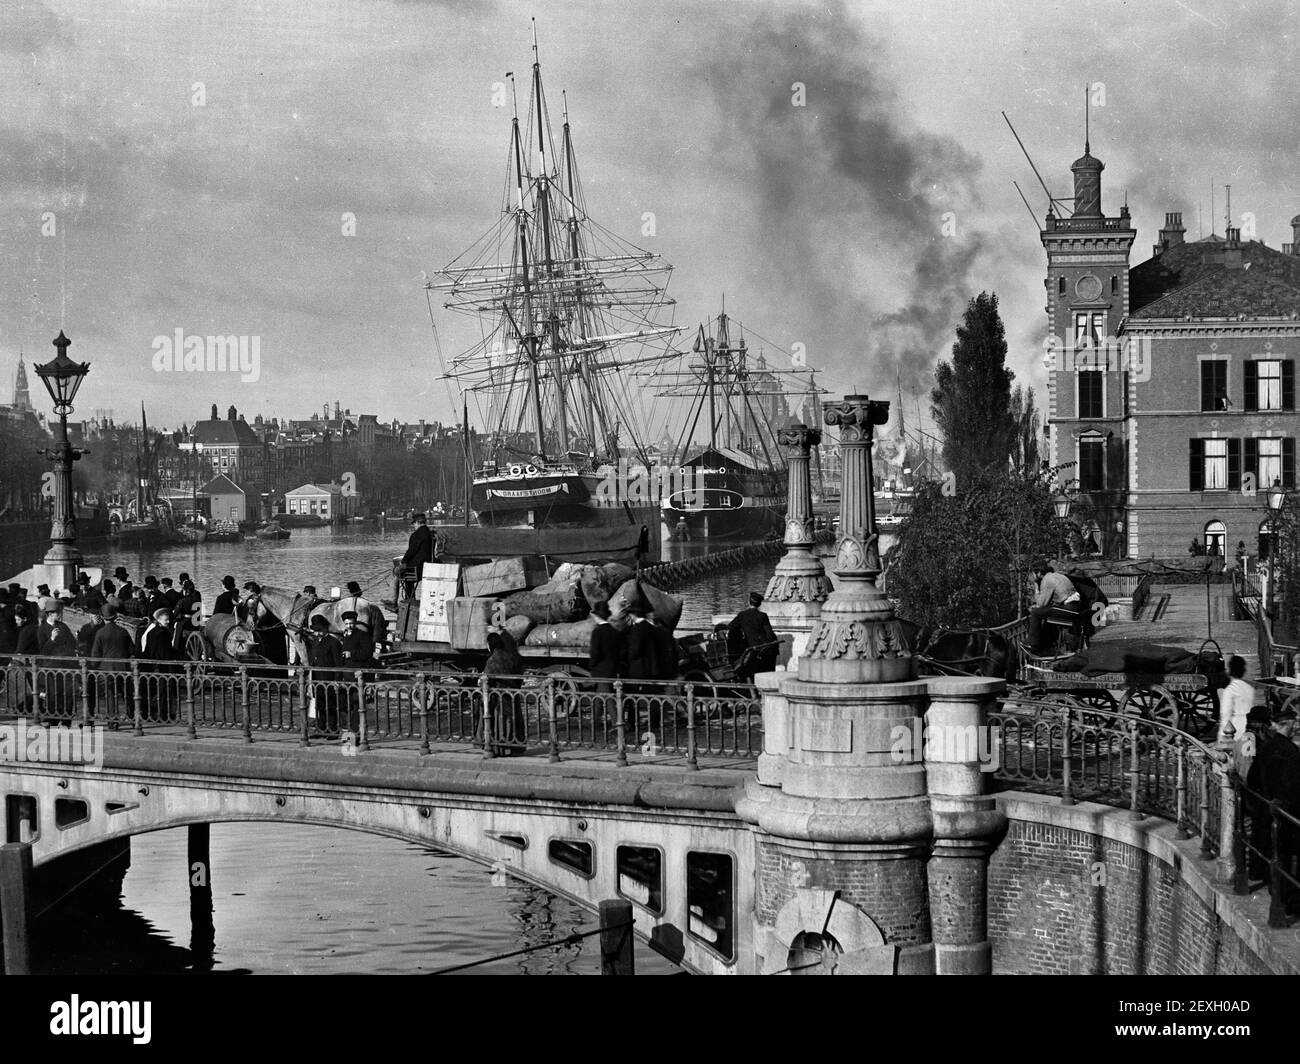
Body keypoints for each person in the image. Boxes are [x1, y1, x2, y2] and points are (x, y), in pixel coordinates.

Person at [1246, 706, 1300, 909]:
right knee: (1286, 853)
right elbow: (1294, 787)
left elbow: (1252, 778)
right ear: (1288, 726)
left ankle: (1269, 883)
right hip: (1286, 812)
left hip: (1266, 807)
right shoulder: (1292, 752)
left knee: (1269, 848)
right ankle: (1285, 898)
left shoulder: (1266, 747)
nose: (1295, 729)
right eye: (1294, 725)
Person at [91, 604, 136, 723]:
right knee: (127, 694)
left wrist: (93, 667)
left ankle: (113, 721)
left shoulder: (100, 633)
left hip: (107, 670)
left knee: (110, 695)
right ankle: (132, 719)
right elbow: (132, 650)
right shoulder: (123, 631)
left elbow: (95, 654)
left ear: (103, 617)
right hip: (123, 668)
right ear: (115, 617)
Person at [482, 629, 526, 748]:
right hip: (513, 695)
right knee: (514, 720)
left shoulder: (493, 660)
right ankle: (515, 746)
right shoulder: (512, 656)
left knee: (500, 721)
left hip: (499, 698)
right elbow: (520, 673)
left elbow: (486, 679)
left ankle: (501, 747)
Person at [728, 591, 780, 682]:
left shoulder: (742, 615)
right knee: (773, 651)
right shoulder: (763, 616)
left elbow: (730, 627)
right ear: (759, 604)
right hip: (764, 649)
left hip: (752, 649)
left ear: (749, 602)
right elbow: (770, 634)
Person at [588, 601, 625, 725]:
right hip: (613, 669)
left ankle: (617, 722)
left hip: (601, 670)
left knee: (607, 696)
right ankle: (595, 720)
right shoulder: (615, 631)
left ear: (597, 616)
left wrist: (592, 666)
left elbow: (595, 653)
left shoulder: (597, 632)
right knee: (600, 694)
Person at [140, 607, 181, 721]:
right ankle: (164, 715)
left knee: (155, 691)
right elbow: (165, 651)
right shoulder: (162, 633)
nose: (168, 622)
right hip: (163, 665)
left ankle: (153, 714)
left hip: (154, 665)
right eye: (166, 620)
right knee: (164, 691)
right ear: (158, 620)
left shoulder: (152, 632)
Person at [1028, 562, 1079, 651]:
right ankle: (1047, 646)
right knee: (1049, 615)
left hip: (1069, 609)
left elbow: (1041, 604)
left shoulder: (1047, 580)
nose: (1031, 577)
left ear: (1039, 573)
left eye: (1032, 574)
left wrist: (1036, 588)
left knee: (1035, 613)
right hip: (1075, 607)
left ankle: (1032, 644)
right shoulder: (1057, 575)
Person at [307, 614, 344, 736]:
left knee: (331, 705)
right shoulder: (316, 642)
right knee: (320, 704)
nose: (317, 634)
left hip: (329, 679)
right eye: (315, 631)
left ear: (325, 628)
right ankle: (321, 727)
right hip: (317, 678)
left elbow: (338, 663)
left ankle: (332, 729)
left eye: (319, 631)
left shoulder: (334, 642)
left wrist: (337, 680)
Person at [1218, 655, 1256, 775]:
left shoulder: (1230, 690)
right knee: (1248, 761)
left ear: (1229, 671)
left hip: (1236, 727)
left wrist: (1220, 736)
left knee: (1233, 763)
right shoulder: (1249, 688)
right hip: (1249, 727)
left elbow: (1226, 715)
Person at [339, 610, 374, 734]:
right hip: (346, 675)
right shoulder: (344, 635)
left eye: (351, 624)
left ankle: (355, 730)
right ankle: (346, 728)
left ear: (355, 623)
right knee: (345, 704)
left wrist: (351, 654)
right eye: (347, 624)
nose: (349, 626)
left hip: (357, 675)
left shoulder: (362, 635)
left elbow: (368, 652)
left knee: (357, 704)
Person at [401, 513, 434, 599]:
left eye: (414, 523)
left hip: (417, 567)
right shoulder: (430, 534)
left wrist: (403, 561)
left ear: (418, 522)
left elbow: (411, 551)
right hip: (429, 565)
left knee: (396, 572)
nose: (413, 526)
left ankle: (395, 600)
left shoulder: (417, 535)